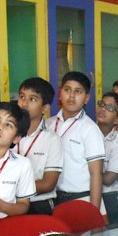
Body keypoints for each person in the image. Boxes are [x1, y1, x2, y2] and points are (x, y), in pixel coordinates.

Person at [48, 72, 105, 208]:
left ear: (86, 98)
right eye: (67, 90)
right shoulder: (48, 124)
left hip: (81, 199)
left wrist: (93, 211)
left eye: (78, 91)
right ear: (60, 93)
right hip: (52, 198)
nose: (71, 96)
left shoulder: (90, 129)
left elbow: (96, 173)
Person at [16, 77, 63, 214]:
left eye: (32, 99)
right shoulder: (7, 132)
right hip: (7, 204)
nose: (24, 104)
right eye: (22, 97)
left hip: (38, 205)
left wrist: (11, 187)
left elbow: (48, 184)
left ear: (45, 108)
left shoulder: (52, 139)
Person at [96, 92, 118, 223]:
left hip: (109, 196)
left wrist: (86, 173)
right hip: (86, 193)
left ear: (117, 120)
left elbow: (109, 178)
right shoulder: (86, 132)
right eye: (102, 104)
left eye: (109, 107)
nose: (103, 109)